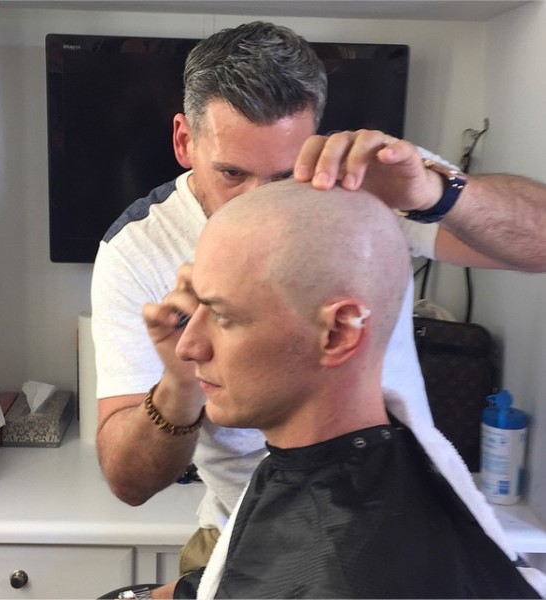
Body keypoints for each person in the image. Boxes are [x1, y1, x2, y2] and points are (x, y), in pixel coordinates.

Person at [91, 21, 546, 575]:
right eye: (232, 173)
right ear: (185, 141)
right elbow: (129, 481)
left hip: (399, 512)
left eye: (285, 177)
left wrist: (437, 194)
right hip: (245, 534)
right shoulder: (137, 250)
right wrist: (182, 380)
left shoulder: (363, 185)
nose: (257, 204)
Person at [144, 179, 543, 599]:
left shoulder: (350, 569)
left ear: (338, 333)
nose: (188, 347)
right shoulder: (335, 466)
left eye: (223, 316)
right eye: (197, 308)